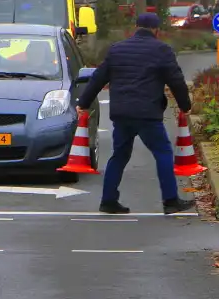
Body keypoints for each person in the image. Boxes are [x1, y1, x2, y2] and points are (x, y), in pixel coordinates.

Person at [75, 13, 196, 215]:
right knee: (163, 152)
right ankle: (171, 200)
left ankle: (108, 200)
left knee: (119, 155)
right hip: (147, 113)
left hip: (122, 113)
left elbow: (98, 77)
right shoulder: (162, 50)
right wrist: (185, 105)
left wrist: (84, 102)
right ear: (156, 30)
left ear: (136, 27)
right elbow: (176, 80)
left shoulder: (117, 49)